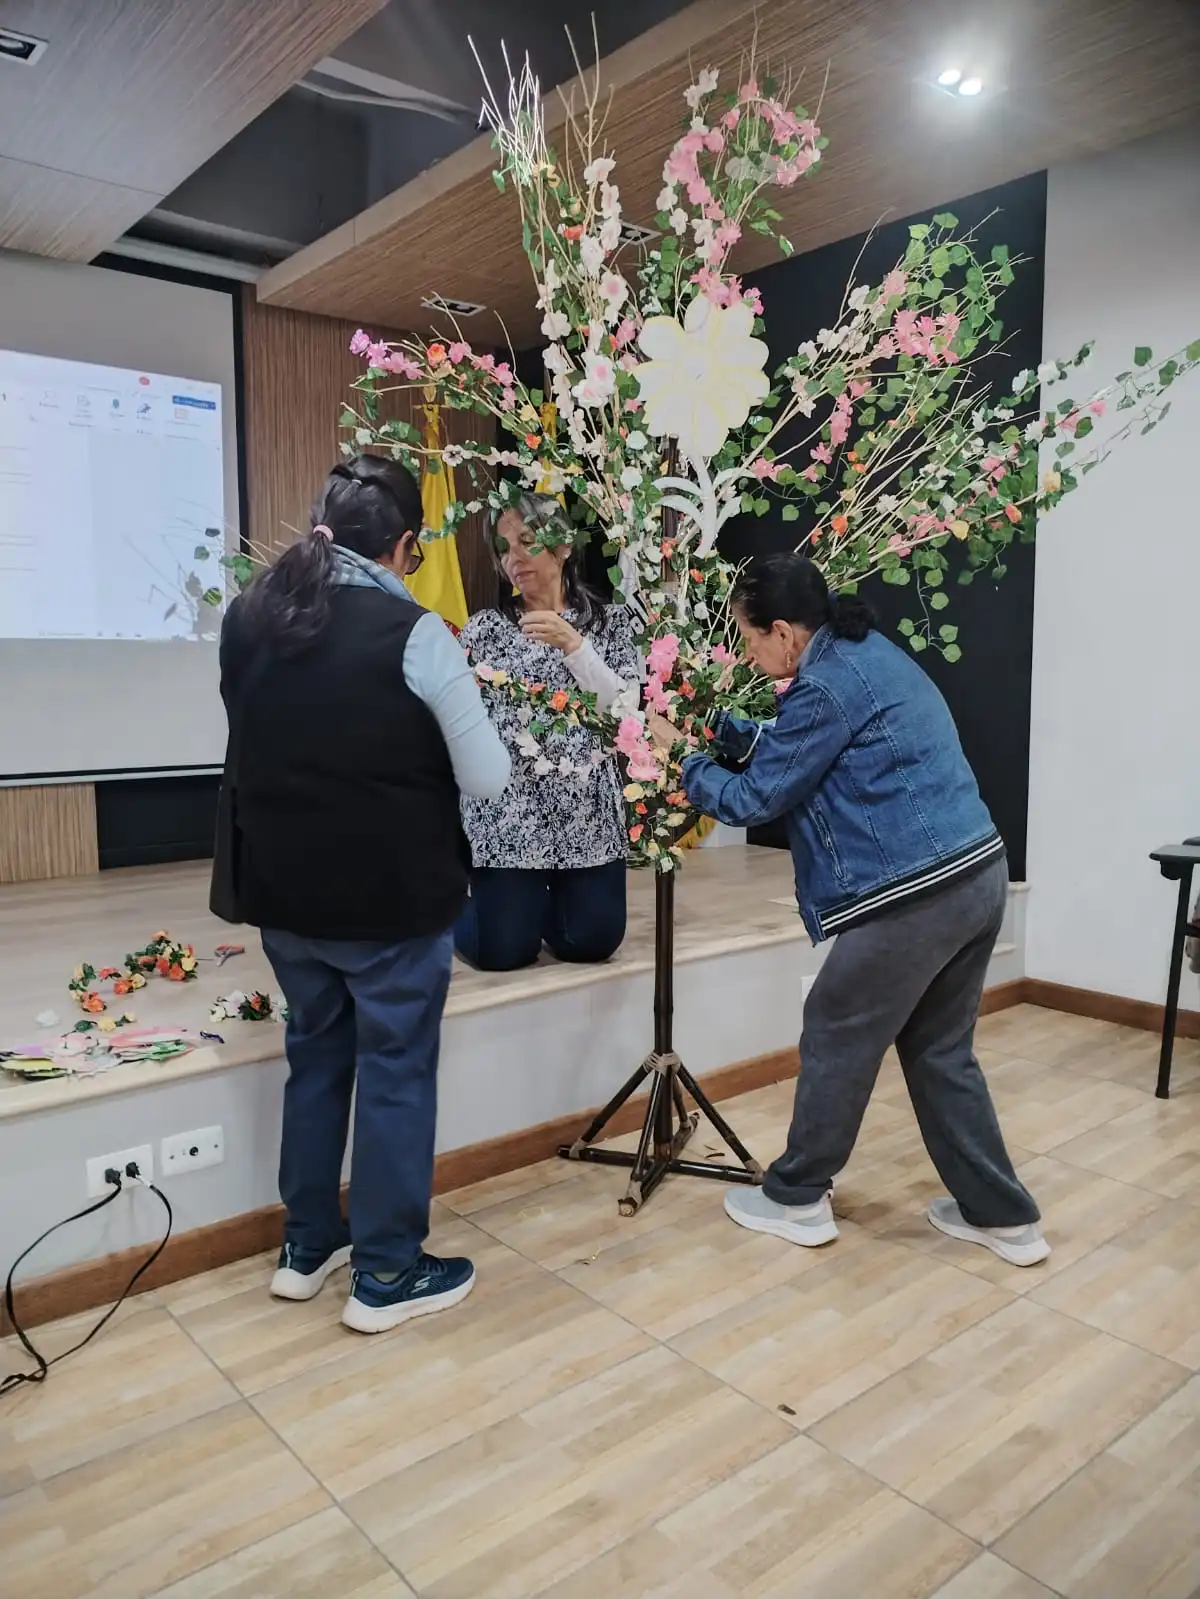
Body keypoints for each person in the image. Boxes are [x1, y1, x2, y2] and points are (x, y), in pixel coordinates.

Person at [667, 552, 1048, 1267]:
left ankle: (797, 1196)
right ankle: (1005, 1218)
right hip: (979, 875)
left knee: (836, 1026)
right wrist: (721, 730)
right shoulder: (862, 656)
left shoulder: (826, 687)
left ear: (784, 631)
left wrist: (683, 762)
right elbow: (803, 750)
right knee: (940, 1051)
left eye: (750, 640)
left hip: (919, 895)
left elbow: (756, 798)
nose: (749, 656)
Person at [215, 455, 511, 1333]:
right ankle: (386, 1271)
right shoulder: (416, 633)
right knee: (394, 1073)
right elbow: (489, 780)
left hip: (282, 895)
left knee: (317, 1058)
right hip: (389, 902)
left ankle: (308, 1246)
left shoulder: (244, 619)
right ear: (407, 547)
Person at [455, 492, 641, 971]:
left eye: (527, 542)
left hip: (587, 818)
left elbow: (625, 716)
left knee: (592, 941)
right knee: (502, 951)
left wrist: (575, 646)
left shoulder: (611, 623)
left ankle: (545, 907)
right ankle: (457, 903)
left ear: (562, 547)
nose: (512, 559)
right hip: (509, 819)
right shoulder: (484, 631)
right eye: (503, 548)